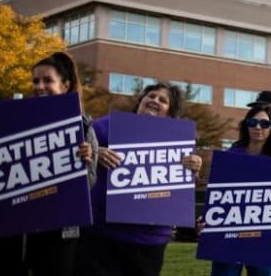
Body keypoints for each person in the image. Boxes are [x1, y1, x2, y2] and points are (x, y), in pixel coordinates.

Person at [0, 51, 98, 276]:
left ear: (65, 85)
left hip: (58, 232)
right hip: (12, 231)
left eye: (48, 80)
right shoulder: (10, 119)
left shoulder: (83, 126)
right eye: (36, 81)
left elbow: (89, 183)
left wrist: (83, 162)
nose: (39, 86)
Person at [74, 82, 203, 276]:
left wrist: (194, 167)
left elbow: (181, 190)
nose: (154, 101)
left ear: (170, 112)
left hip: (149, 240)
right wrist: (96, 151)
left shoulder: (178, 139)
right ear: (141, 100)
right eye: (150, 96)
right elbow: (77, 147)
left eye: (162, 100)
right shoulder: (109, 125)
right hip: (102, 233)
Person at [206, 104, 271, 276]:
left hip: (263, 237)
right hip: (228, 234)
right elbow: (217, 195)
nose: (258, 127)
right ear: (246, 125)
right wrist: (206, 219)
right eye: (253, 122)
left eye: (264, 124)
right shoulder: (231, 156)